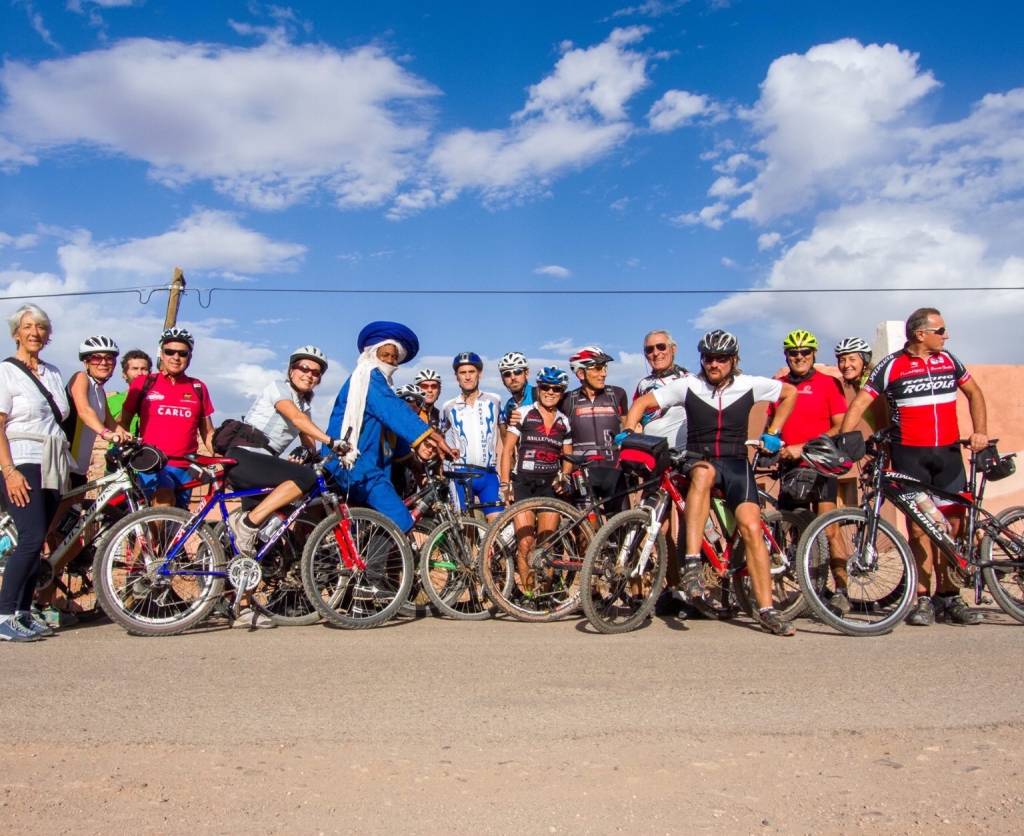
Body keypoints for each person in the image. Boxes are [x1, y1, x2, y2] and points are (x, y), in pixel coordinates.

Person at [624, 329, 799, 636]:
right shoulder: (689, 385)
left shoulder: (748, 384)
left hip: (736, 464)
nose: (714, 364)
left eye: (721, 359)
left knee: (751, 527)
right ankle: (692, 564)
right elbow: (642, 404)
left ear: (734, 360)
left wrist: (774, 432)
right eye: (708, 358)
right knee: (703, 472)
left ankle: (767, 610)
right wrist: (628, 430)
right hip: (700, 459)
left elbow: (789, 394)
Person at [840, 308, 988, 626]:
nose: (946, 335)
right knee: (920, 528)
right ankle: (923, 598)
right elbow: (861, 402)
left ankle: (949, 596)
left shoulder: (949, 360)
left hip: (948, 455)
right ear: (921, 334)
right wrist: (845, 441)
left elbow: (974, 393)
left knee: (952, 525)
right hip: (910, 457)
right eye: (941, 330)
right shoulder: (892, 365)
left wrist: (981, 431)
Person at [323, 322, 454, 533]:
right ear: (372, 354)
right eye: (385, 355)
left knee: (368, 529)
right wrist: (433, 437)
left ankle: (373, 555)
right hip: (354, 465)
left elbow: (391, 432)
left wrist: (416, 466)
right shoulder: (367, 378)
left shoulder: (377, 383)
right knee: (401, 521)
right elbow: (393, 411)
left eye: (394, 357)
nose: (391, 361)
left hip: (366, 468)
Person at [224, 346, 345, 557]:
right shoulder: (279, 388)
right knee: (306, 477)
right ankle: (246, 524)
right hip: (246, 457)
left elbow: (310, 443)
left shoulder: (303, 406)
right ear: (291, 370)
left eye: (315, 372)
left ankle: (233, 562)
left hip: (260, 463)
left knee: (262, 541)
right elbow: (297, 419)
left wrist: (311, 452)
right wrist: (332, 441)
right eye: (304, 368)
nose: (309, 374)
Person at [0, 304, 70, 640]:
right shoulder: (6, 372)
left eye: (40, 327)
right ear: (16, 333)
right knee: (30, 537)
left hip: (52, 459)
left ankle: (22, 611)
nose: (34, 333)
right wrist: (9, 471)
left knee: (39, 539)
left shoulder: (53, 372)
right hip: (22, 458)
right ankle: (3, 614)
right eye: (27, 326)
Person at [767, 330, 849, 610]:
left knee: (829, 529)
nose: (799, 357)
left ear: (814, 354)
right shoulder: (778, 387)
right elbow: (772, 427)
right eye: (794, 353)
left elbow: (840, 425)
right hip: (790, 467)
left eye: (805, 352)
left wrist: (803, 447)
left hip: (821, 464)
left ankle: (841, 589)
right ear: (786, 356)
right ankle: (810, 592)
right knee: (795, 533)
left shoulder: (828, 383)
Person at [117, 327, 214, 508]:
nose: (176, 357)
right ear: (161, 354)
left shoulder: (198, 387)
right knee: (164, 499)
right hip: (152, 463)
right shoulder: (145, 383)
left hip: (186, 468)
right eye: (170, 352)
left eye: (182, 353)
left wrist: (219, 457)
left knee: (177, 521)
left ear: (190, 357)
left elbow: (208, 432)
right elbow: (123, 423)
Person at [630, 330, 691, 615]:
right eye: (649, 350)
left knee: (690, 527)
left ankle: (693, 591)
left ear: (673, 348)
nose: (655, 353)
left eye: (661, 347)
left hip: (685, 461)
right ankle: (673, 587)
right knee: (658, 529)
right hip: (654, 463)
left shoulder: (689, 379)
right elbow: (636, 416)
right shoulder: (643, 384)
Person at [498, 367, 573, 595]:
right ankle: (530, 595)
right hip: (523, 484)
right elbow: (507, 450)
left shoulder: (564, 421)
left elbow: (568, 457)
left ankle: (545, 594)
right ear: (538, 388)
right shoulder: (523, 413)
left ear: (561, 393)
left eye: (556, 389)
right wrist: (505, 484)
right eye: (545, 387)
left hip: (549, 487)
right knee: (525, 544)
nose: (550, 392)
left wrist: (564, 475)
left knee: (546, 545)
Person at [561, 345, 629, 514]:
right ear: (580, 373)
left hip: (615, 472)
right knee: (586, 529)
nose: (603, 373)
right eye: (598, 368)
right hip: (582, 474)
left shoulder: (618, 394)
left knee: (623, 528)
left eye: (605, 368)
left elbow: (629, 428)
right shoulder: (567, 400)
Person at [440, 351, 505, 522]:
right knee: (465, 527)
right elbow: (440, 437)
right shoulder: (448, 407)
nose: (468, 377)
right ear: (456, 376)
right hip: (460, 475)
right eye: (463, 373)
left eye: (471, 372)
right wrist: (446, 457)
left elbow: (504, 437)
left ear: (479, 374)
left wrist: (504, 473)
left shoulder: (495, 400)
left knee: (498, 525)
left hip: (488, 474)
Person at [64, 335, 128, 489]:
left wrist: (130, 437)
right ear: (86, 362)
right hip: (65, 463)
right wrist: (105, 433)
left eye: (109, 358)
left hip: (80, 467)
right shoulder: (81, 378)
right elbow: (84, 411)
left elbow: (111, 423)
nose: (103, 363)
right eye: (96, 358)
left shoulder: (100, 391)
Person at [833, 337, 886, 431]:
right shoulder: (859, 383)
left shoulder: (871, 383)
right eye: (842, 360)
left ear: (865, 360)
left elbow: (882, 422)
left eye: (852, 359)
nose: (846, 365)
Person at [106, 349, 153, 435]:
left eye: (144, 369)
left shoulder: (157, 401)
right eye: (135, 369)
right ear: (124, 374)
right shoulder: (111, 402)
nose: (140, 373)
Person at [497, 351, 535, 431]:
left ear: (526, 373)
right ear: (502, 379)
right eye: (507, 374)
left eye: (517, 372)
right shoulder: (509, 405)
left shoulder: (538, 395)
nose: (513, 377)